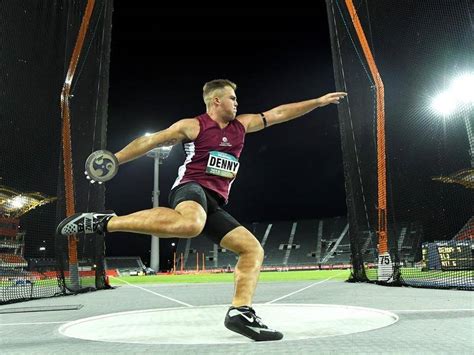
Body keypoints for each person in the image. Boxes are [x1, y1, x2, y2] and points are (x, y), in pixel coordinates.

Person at [57, 79, 347, 341]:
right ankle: (107, 222)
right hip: (190, 189)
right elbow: (151, 141)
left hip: (215, 202)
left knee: (252, 250)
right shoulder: (193, 125)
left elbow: (279, 113)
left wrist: (318, 102)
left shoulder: (242, 125)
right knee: (192, 224)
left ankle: (240, 313)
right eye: (233, 97)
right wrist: (114, 160)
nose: (237, 102)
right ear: (216, 101)